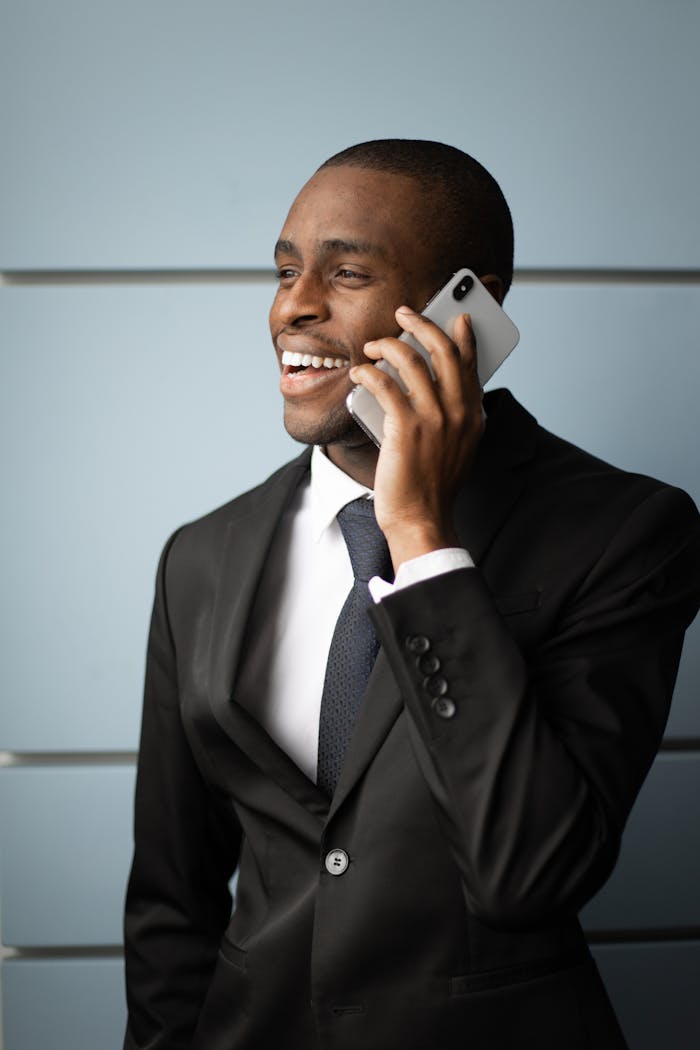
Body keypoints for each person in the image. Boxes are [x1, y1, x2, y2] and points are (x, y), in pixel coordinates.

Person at [123, 140, 700, 1050]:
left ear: (468, 306)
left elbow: (534, 873)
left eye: (345, 271)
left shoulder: (627, 532)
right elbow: (171, 899)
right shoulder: (199, 557)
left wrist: (423, 540)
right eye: (285, 270)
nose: (293, 304)